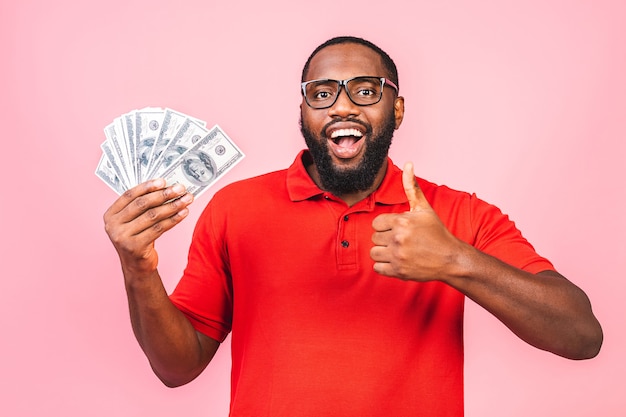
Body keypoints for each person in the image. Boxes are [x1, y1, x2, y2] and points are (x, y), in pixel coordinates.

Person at [103, 36, 603, 416]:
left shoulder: (458, 214)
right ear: (303, 113)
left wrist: (457, 261)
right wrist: (138, 269)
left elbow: (581, 336)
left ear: (398, 110)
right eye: (322, 94)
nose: (343, 106)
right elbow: (176, 368)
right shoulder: (234, 208)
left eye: (366, 91)